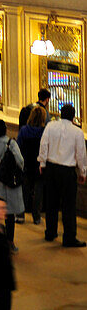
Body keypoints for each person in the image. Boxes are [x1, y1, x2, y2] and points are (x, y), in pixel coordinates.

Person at [38, 102, 87, 247]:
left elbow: (43, 144)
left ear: (60, 114)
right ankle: (69, 237)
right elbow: (80, 154)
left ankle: (50, 232)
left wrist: (42, 163)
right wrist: (82, 171)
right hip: (67, 171)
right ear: (73, 117)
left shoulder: (50, 126)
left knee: (51, 202)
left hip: (51, 169)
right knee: (68, 205)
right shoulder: (77, 132)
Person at [16, 104, 46, 224]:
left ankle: (20, 215)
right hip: (39, 164)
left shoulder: (24, 130)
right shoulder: (44, 131)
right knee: (38, 190)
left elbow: (18, 146)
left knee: (24, 190)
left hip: (26, 163)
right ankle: (36, 216)